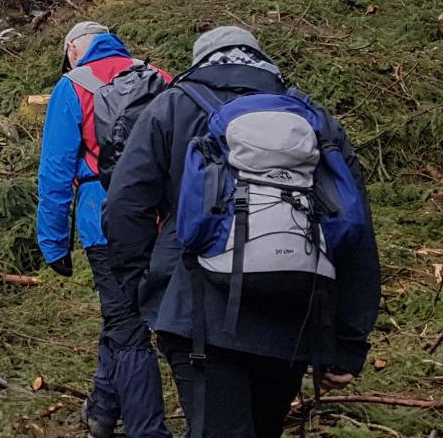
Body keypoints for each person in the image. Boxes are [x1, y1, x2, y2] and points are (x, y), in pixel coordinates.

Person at [104, 27, 381, 438]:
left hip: (196, 312)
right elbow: (355, 229)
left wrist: (143, 289)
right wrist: (348, 339)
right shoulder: (313, 117)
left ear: (201, 62)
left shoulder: (173, 106)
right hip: (293, 309)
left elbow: (124, 207)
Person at [35, 22, 173, 438]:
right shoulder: (158, 77)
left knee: (128, 328)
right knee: (122, 315)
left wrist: (54, 242)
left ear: (74, 49)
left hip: (104, 219)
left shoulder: (73, 86)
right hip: (159, 219)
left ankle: (147, 431)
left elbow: (56, 173)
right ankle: (102, 408)